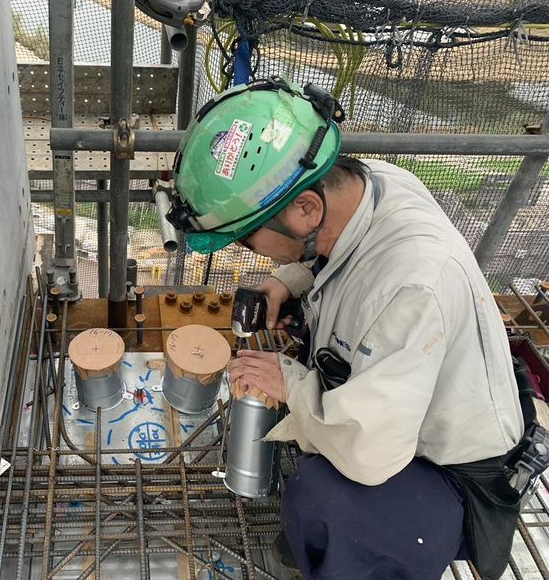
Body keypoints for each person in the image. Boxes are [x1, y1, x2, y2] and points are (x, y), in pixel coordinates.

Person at [166, 77, 531, 579]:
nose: (249, 252)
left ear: (306, 209)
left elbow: (371, 453)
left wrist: (290, 383)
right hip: (405, 405)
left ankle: (365, 553)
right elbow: (344, 248)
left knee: (324, 500)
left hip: (454, 472)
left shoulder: (412, 286)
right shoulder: (368, 185)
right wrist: (289, 280)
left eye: (247, 240)